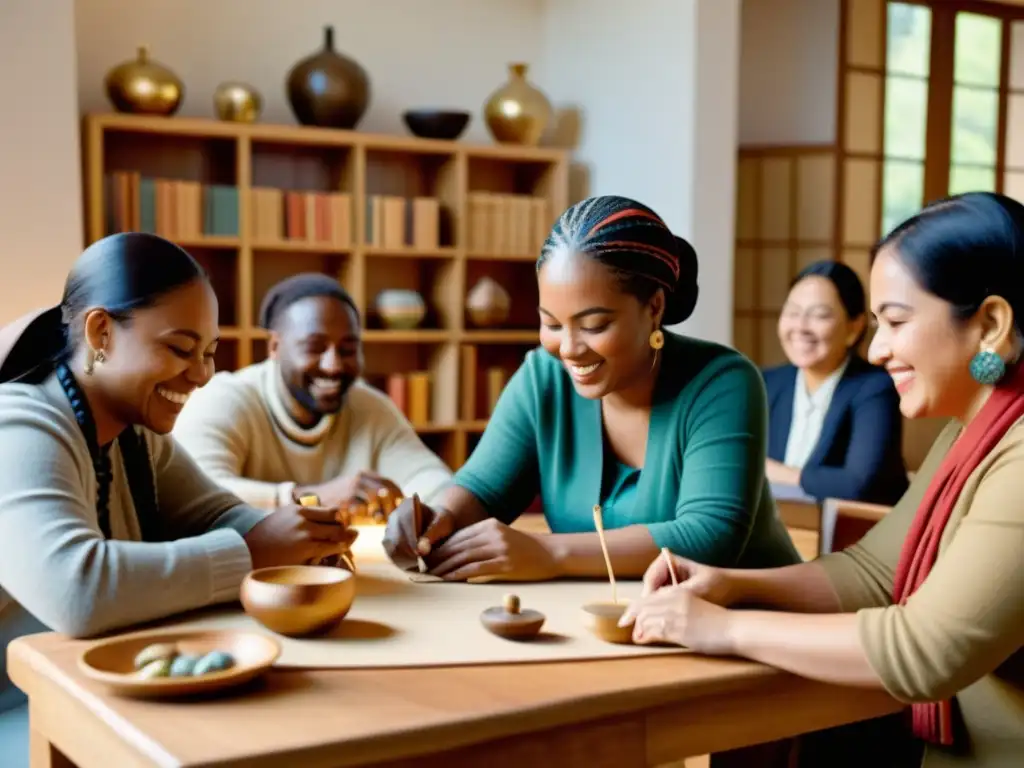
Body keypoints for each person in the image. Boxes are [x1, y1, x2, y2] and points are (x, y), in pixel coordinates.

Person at [621, 191, 1024, 767]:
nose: (879, 349)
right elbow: (877, 570)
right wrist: (734, 584)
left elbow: (926, 650)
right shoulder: (969, 430)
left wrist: (725, 628)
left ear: (989, 323)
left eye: (897, 322)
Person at [0, 233, 353, 767]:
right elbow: (77, 590)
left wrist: (297, 543)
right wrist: (256, 554)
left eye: (208, 353)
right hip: (22, 714)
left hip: (96, 693)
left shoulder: (134, 433)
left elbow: (216, 513)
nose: (203, 375)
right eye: (181, 349)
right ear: (101, 332)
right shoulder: (21, 424)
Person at [384, 195, 802, 582]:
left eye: (594, 325)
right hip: (620, 626)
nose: (568, 349)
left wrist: (550, 553)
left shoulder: (721, 382)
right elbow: (483, 491)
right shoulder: (543, 377)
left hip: (750, 623)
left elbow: (711, 537)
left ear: (654, 307)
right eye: (551, 323)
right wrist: (439, 519)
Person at [172, 273, 453, 518]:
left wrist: (437, 516)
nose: (334, 365)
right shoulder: (224, 399)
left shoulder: (369, 406)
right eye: (314, 347)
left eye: (347, 349)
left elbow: (428, 478)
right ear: (274, 347)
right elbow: (195, 496)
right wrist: (310, 498)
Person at [763, 260, 908, 505]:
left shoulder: (876, 388)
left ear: (854, 327)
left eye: (819, 315)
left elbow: (858, 483)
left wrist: (773, 472)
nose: (800, 327)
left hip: (860, 533)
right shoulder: (767, 382)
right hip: (784, 530)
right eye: (792, 312)